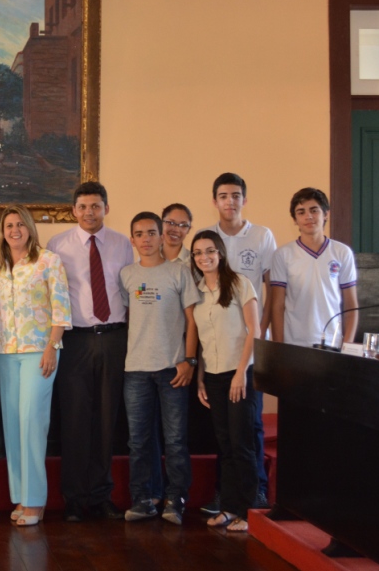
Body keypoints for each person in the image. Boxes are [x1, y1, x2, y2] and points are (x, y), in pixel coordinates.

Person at [46, 182, 134, 522]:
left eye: (96, 206)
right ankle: (73, 498)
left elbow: (129, 291)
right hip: (75, 341)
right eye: (82, 206)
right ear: (73, 210)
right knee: (74, 420)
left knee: (106, 420)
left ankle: (100, 496)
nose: (89, 213)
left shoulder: (122, 244)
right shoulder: (58, 245)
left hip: (113, 339)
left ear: (106, 209)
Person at [0, 205, 71, 526]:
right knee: (12, 425)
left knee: (31, 421)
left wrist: (52, 347)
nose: (14, 230)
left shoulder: (48, 261)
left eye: (20, 224)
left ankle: (35, 501)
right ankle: (21, 497)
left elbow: (61, 308)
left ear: (30, 228)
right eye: (9, 225)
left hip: (40, 351)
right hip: (6, 353)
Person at [200, 173, 276, 512]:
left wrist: (262, 336)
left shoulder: (261, 236)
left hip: (248, 350)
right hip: (217, 358)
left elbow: (271, 288)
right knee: (226, 435)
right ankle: (226, 495)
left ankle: (256, 492)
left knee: (250, 427)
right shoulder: (207, 240)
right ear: (214, 201)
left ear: (244, 199)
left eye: (235, 195)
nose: (229, 201)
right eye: (223, 196)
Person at [119, 212, 200, 525]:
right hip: (136, 369)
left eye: (151, 232)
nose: (146, 239)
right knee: (138, 440)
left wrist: (189, 360)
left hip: (173, 369)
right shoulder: (126, 275)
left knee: (175, 439)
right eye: (139, 234)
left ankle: (176, 498)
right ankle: (143, 498)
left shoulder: (179, 273)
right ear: (133, 240)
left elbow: (192, 321)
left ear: (161, 234)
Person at [191, 230, 260, 533]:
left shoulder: (239, 284)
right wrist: (201, 379)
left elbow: (254, 331)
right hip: (214, 377)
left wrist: (242, 371)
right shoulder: (196, 292)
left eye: (209, 251)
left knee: (242, 443)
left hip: (239, 374)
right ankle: (230, 508)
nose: (204, 257)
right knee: (225, 445)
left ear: (220, 252)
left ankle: (251, 510)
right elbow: (204, 341)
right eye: (197, 253)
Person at [270, 188, 358, 347]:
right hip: (294, 343)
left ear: (326, 214)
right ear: (295, 220)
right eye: (301, 212)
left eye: (314, 210)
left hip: (333, 342)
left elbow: (351, 305)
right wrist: (279, 348)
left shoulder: (342, 252)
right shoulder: (282, 255)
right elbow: (277, 306)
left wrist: (348, 346)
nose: (308, 216)